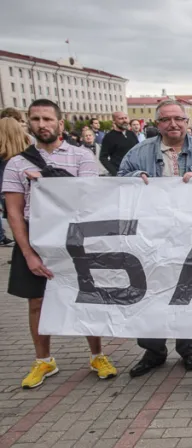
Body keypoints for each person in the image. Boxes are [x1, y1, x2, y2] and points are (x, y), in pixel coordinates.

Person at [3, 99, 118, 389]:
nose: (42, 125)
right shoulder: (16, 164)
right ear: (28, 123)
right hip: (36, 236)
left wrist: (47, 180)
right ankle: (43, 360)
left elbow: (86, 197)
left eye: (47, 119)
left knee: (87, 296)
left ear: (60, 124)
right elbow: (14, 213)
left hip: (74, 235)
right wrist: (28, 253)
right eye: (36, 119)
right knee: (37, 301)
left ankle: (97, 354)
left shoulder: (82, 156)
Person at [118, 99, 192, 378]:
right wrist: (134, 177)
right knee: (151, 290)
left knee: (188, 292)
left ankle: (188, 346)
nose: (173, 124)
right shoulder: (138, 153)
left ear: (187, 121)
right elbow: (118, 182)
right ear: (158, 124)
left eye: (179, 118)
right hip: (152, 236)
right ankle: (153, 349)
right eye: (166, 119)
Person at [0, 117, 31, 248]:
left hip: (7, 194)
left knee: (16, 225)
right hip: (28, 195)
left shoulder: (4, 157)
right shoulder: (27, 154)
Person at [99, 111, 138, 176]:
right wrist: (114, 172)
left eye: (125, 118)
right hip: (119, 173)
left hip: (134, 171)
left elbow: (138, 151)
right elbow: (103, 157)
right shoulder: (109, 137)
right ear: (114, 121)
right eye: (121, 119)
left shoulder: (131, 134)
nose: (124, 120)